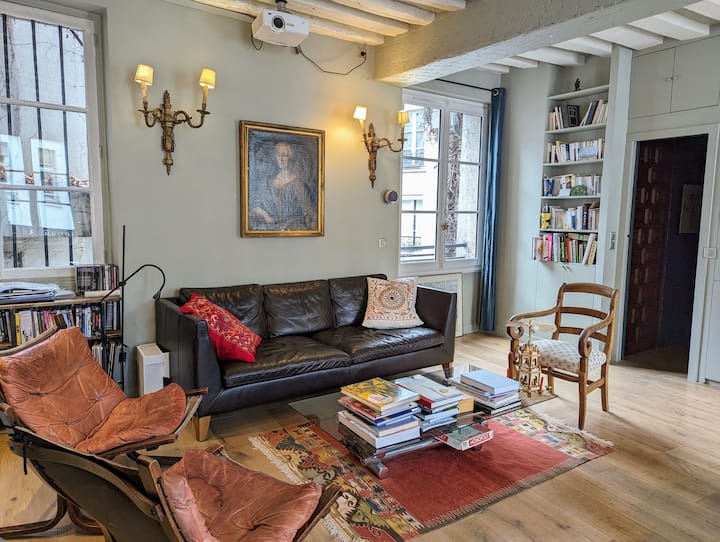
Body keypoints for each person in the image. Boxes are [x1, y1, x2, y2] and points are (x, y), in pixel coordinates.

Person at [250, 141, 317, 231]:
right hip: (272, 227)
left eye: (285, 155)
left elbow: (308, 211)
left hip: (292, 228)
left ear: (291, 158)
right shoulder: (268, 182)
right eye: (278, 155)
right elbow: (256, 205)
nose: (281, 159)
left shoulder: (298, 184)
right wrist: (265, 215)